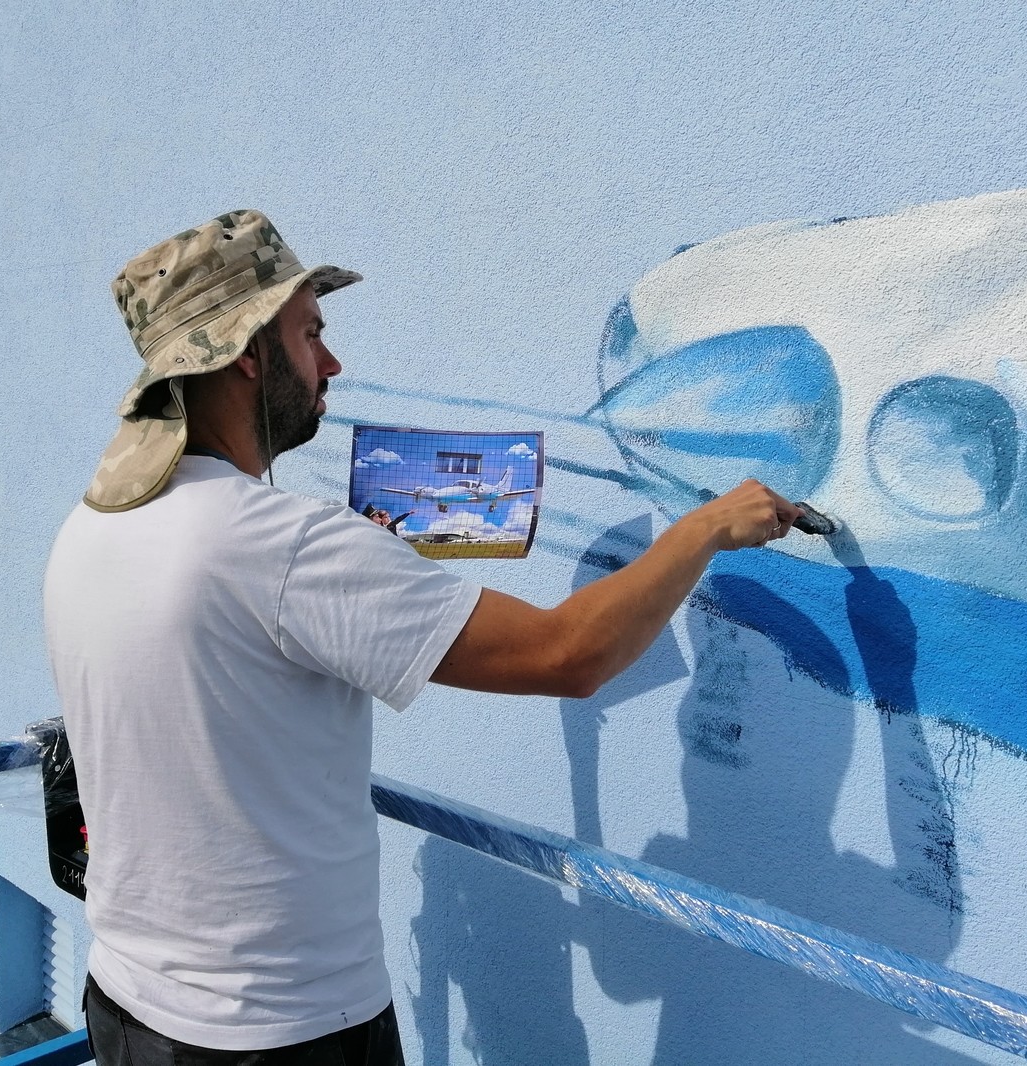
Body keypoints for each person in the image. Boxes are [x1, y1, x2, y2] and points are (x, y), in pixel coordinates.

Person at [43, 209, 805, 1066]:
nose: (332, 363)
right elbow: (570, 655)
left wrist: (364, 570)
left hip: (128, 1003)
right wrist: (704, 527)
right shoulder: (283, 546)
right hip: (275, 1036)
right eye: (311, 333)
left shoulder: (91, 527)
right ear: (248, 353)